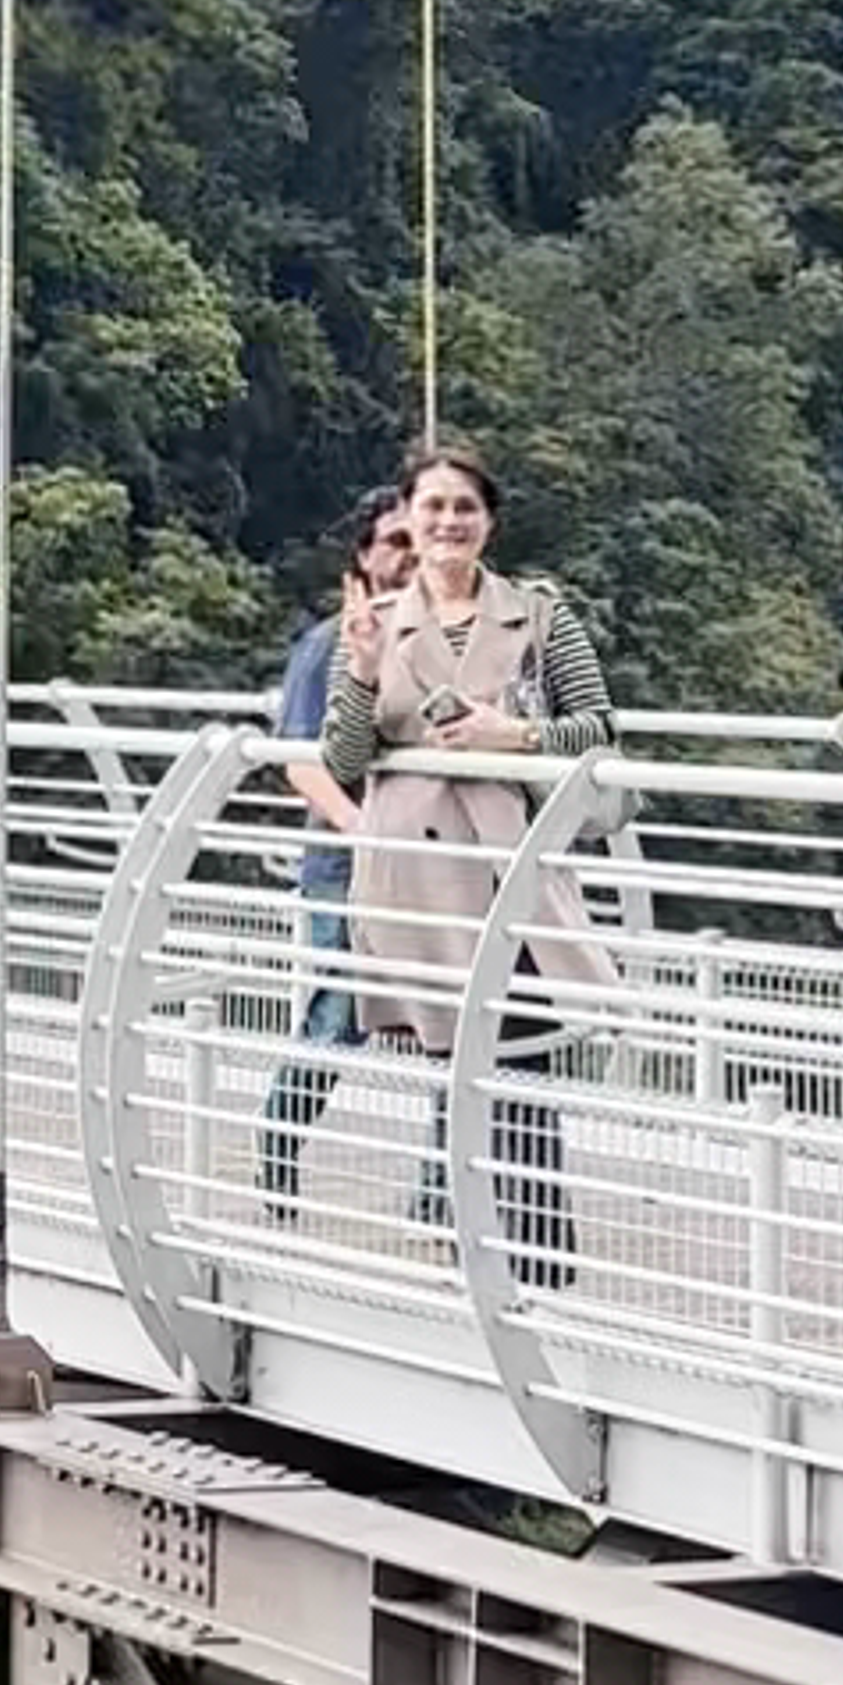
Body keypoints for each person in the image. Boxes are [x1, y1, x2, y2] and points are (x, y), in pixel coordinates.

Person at [321, 444, 611, 1286]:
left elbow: (597, 730)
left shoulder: (542, 617)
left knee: (517, 1050)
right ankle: (477, 1249)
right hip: (413, 875)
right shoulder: (376, 619)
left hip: (503, 862)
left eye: (465, 508)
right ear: (408, 517)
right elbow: (342, 757)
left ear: (489, 521)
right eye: (433, 506)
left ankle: (538, 1258)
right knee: (452, 1058)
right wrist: (366, 670)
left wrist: (512, 734)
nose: (448, 522)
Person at [261, 490, 414, 1219]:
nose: (409, 554)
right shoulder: (327, 646)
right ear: (364, 553)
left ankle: (441, 1201)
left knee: (452, 1023)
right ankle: (278, 1149)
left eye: (419, 540)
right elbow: (299, 759)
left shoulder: (438, 645)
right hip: (346, 863)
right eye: (394, 540)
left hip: (430, 863)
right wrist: (361, 826)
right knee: (339, 1014)